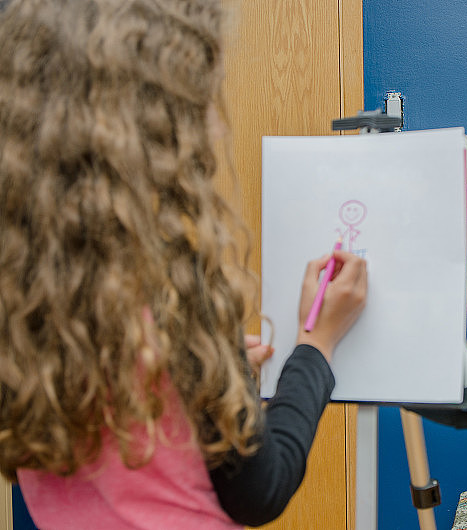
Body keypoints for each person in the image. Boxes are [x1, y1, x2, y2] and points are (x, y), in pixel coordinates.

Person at [0, 1, 367, 528]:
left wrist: (207, 372)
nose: (216, 128)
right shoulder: (170, 292)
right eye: (197, 104)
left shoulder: (23, 287)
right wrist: (317, 345)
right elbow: (260, 491)